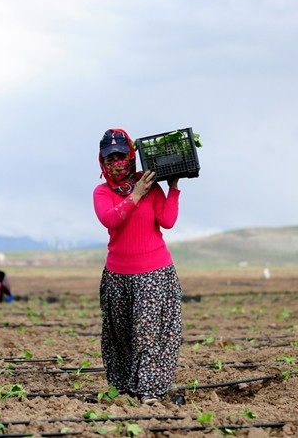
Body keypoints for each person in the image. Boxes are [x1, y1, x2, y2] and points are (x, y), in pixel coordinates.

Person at [93, 128, 183, 406]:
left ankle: (151, 393)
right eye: (111, 158)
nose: (117, 162)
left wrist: (173, 187)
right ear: (102, 161)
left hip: (154, 273)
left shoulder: (150, 186)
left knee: (148, 334)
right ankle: (124, 390)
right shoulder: (102, 191)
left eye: (122, 155)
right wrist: (135, 194)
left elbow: (167, 221)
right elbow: (110, 220)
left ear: (132, 155)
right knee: (120, 335)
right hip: (118, 275)